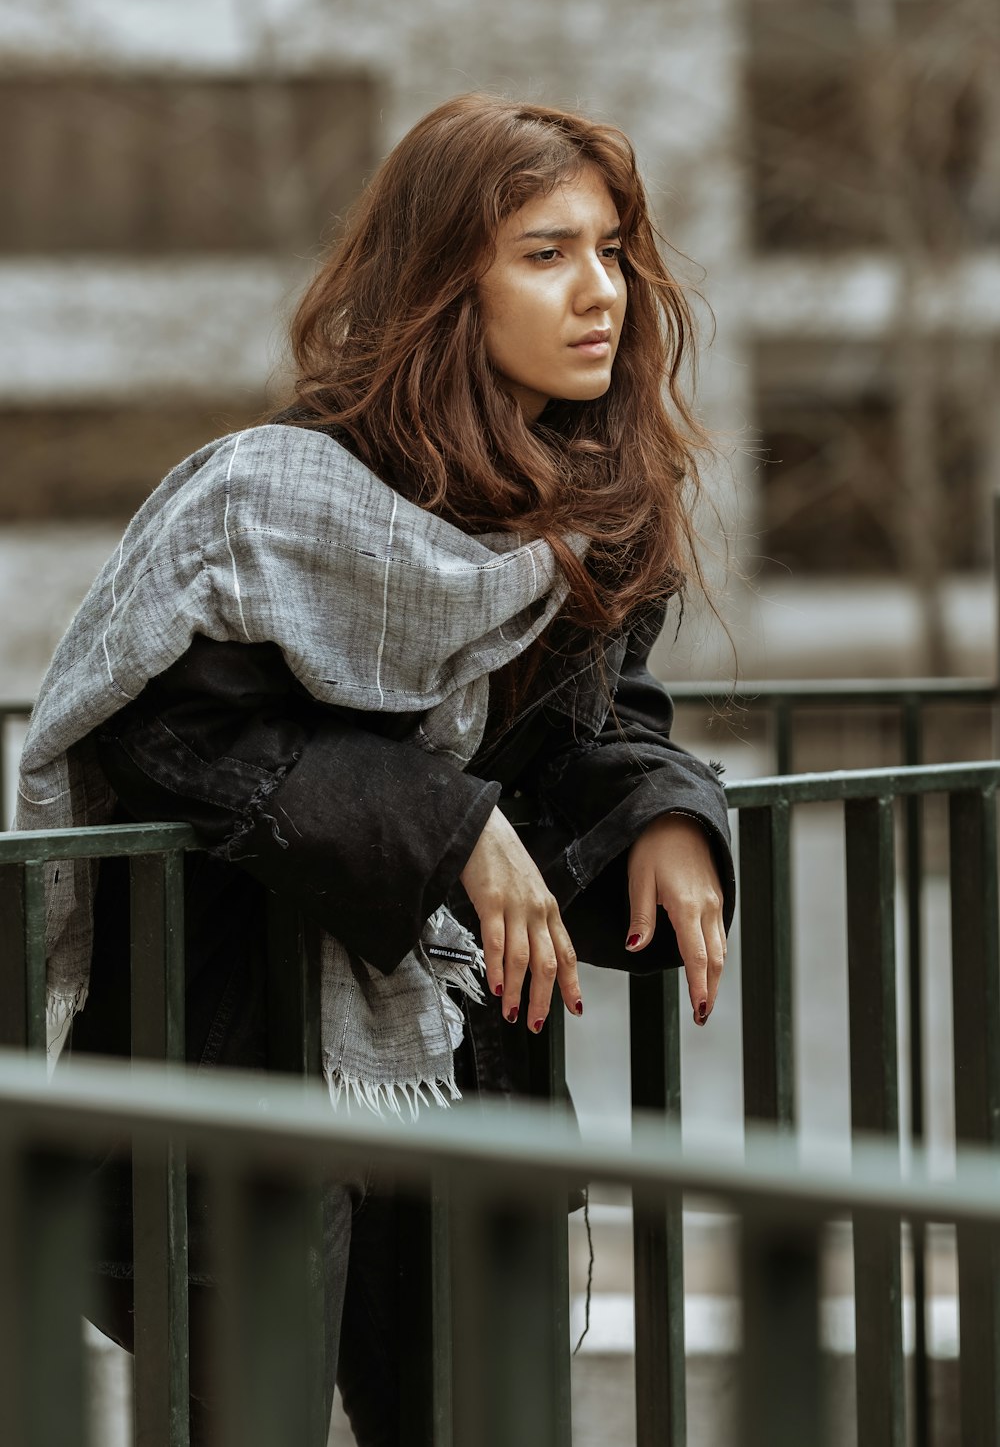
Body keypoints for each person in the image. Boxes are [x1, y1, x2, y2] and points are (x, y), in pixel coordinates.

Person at [16, 93, 735, 1445]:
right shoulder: (265, 500)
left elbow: (599, 726)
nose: (604, 293)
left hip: (477, 1060)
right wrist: (441, 821)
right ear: (442, 282)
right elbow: (168, 734)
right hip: (251, 1067)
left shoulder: (592, 503)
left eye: (616, 249)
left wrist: (665, 809)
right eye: (546, 252)